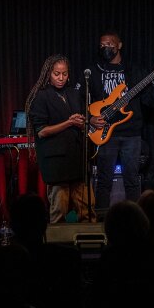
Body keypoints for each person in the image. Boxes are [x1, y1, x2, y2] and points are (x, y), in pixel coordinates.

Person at [85, 31, 154, 216]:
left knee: (132, 180)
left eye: (110, 44)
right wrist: (90, 118)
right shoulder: (94, 71)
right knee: (104, 181)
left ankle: (135, 220)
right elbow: (80, 100)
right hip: (105, 133)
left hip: (131, 134)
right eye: (102, 45)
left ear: (119, 45)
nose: (106, 47)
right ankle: (101, 223)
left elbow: (149, 101)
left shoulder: (134, 71)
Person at [25, 54, 94, 223]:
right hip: (56, 163)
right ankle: (58, 247)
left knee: (87, 210)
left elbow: (83, 118)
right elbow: (41, 131)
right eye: (57, 74)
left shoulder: (74, 94)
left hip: (77, 159)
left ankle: (88, 246)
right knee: (59, 211)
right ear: (48, 74)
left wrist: (85, 121)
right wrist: (69, 122)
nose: (61, 78)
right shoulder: (40, 96)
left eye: (64, 74)